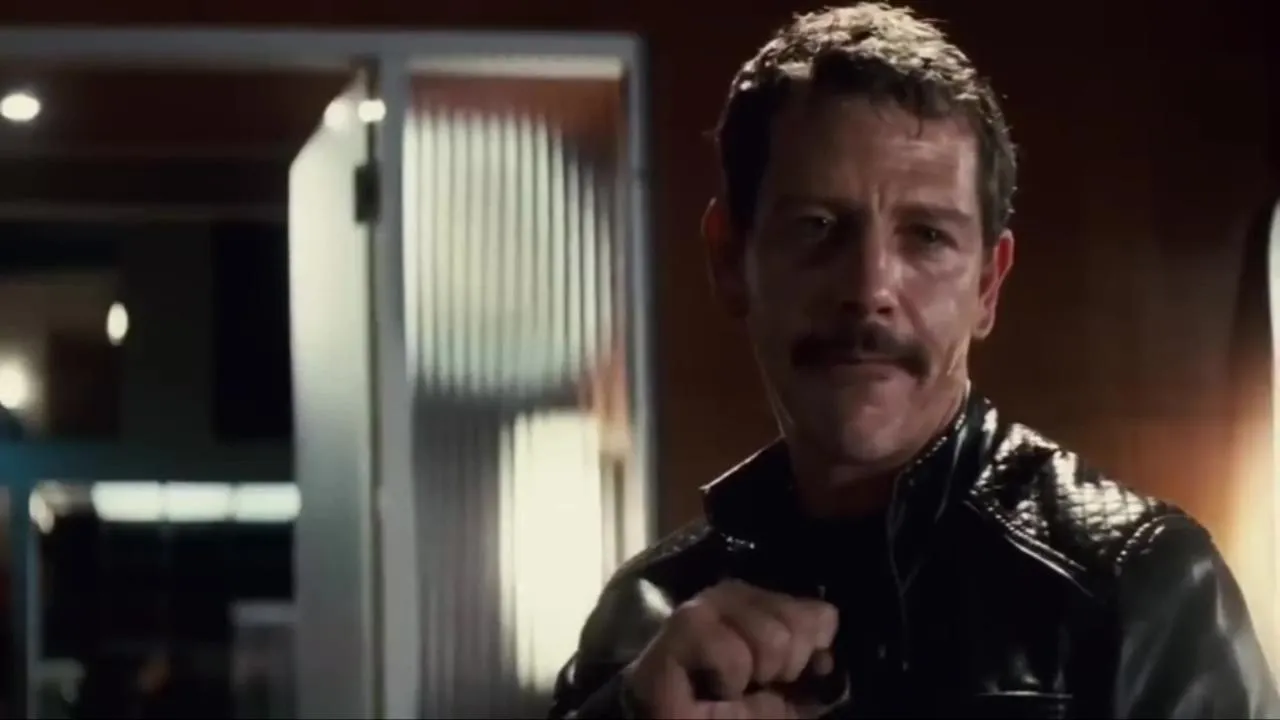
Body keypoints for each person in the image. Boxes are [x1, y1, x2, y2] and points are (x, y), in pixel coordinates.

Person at [548, 3, 1280, 719]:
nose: (870, 290)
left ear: (988, 285)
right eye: (818, 226)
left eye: (927, 236)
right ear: (729, 259)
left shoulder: (1140, 591)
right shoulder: (646, 617)